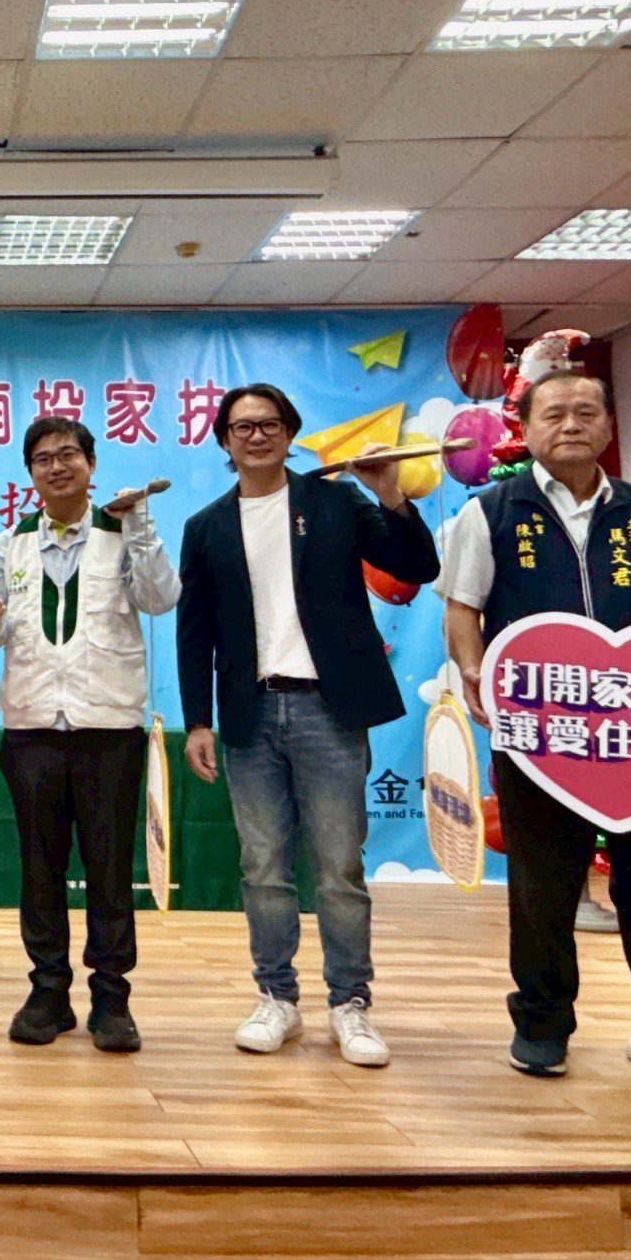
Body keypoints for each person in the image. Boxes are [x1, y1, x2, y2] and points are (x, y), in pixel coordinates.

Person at [440, 369, 631, 1097]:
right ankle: (542, 1025)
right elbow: (462, 610)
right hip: (540, 734)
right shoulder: (490, 513)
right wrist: (476, 673)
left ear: (610, 426)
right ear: (526, 429)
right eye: (554, 413)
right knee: (543, 887)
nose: (571, 424)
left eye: (587, 411)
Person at [176, 383, 439, 1068]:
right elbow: (194, 631)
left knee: (339, 866)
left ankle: (350, 1003)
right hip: (249, 713)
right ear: (224, 441)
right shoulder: (206, 526)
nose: (256, 435)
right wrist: (198, 721)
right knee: (263, 866)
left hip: (329, 707)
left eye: (269, 424)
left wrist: (388, 494)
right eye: (242, 427)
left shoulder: (335, 502)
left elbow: (419, 565)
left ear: (289, 434)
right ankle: (277, 998)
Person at [0, 417, 178, 1053]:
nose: (56, 467)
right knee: (40, 868)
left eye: (67, 455)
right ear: (30, 474)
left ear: (91, 464)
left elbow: (161, 599)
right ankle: (48, 992)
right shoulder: (10, 542)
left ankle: (112, 998)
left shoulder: (124, 530)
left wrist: (140, 525)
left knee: (110, 869)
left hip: (107, 728)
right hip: (32, 727)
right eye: (42, 459)